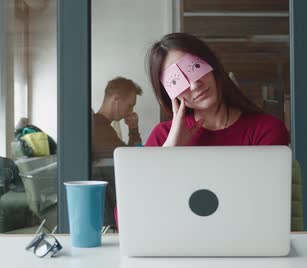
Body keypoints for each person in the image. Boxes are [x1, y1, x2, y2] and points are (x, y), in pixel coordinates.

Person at [145, 32, 289, 147]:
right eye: (176, 81)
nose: (195, 85)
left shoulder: (266, 129)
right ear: (169, 93)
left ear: (212, 64)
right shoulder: (161, 137)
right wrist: (171, 149)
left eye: (196, 67)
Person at [92, 77, 143, 228]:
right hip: (106, 210)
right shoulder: (100, 129)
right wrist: (134, 130)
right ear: (116, 100)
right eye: (130, 105)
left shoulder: (102, 126)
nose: (131, 111)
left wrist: (133, 129)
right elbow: (133, 159)